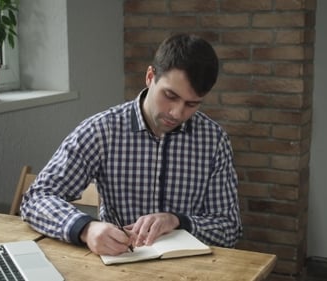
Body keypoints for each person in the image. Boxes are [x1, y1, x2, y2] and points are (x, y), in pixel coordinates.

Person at [20, 33, 242, 256]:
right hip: (120, 265)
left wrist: (177, 221)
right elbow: (36, 199)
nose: (177, 113)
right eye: (170, 95)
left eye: (191, 104)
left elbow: (229, 228)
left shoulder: (213, 140)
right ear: (149, 76)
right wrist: (86, 228)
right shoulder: (102, 131)